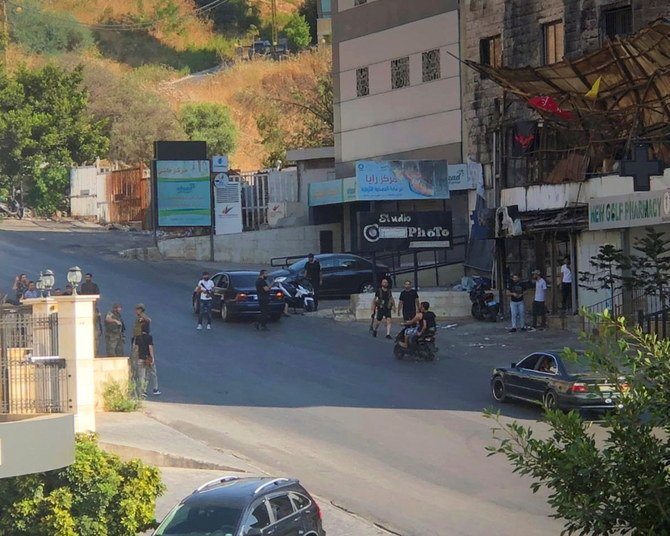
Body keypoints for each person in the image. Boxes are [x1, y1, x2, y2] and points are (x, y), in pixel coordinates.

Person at [134, 323, 160, 398]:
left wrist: (135, 358)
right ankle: (155, 389)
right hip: (148, 358)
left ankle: (142, 391)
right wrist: (152, 357)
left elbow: (136, 349)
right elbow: (150, 347)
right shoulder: (149, 337)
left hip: (140, 358)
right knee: (153, 373)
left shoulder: (138, 338)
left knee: (142, 375)